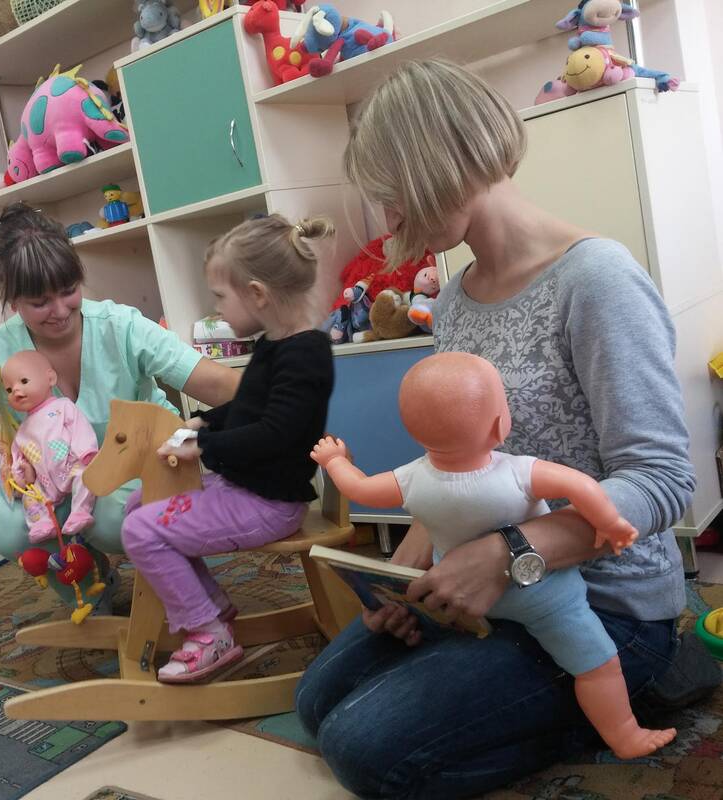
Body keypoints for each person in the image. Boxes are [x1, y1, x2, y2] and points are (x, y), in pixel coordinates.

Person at [295, 59, 708, 799]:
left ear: (438, 165)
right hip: (491, 581)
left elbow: (663, 483)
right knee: (316, 703)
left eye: (393, 196)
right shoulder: (455, 301)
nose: (390, 222)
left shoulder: (596, 281)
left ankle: (630, 691)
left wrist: (510, 553)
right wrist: (412, 576)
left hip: (603, 606)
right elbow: (455, 462)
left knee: (362, 750)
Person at [311, 351, 675, 759]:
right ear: (501, 425)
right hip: (543, 596)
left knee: (342, 725)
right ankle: (624, 734)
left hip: (464, 600)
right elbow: (581, 487)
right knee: (596, 666)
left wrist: (335, 461)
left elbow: (358, 488)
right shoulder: (518, 472)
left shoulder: (409, 480)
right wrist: (610, 523)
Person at [0, 202, 240, 609]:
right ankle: (91, 591)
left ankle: (182, 589)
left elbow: (212, 381)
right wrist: (25, 482)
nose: (60, 311)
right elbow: (1, 447)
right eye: (40, 302)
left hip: (138, 469)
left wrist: (287, 397)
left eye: (69, 291)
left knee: (113, 514)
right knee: (6, 527)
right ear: (12, 301)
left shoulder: (120, 325)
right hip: (53, 482)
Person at [121, 214, 336, 683]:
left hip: (268, 503)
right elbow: (250, 409)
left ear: (257, 294)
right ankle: (211, 604)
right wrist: (205, 420)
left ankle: (207, 631)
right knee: (140, 502)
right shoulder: (274, 345)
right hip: (245, 488)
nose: (216, 310)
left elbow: (276, 433)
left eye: (220, 297)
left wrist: (205, 444)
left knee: (140, 529)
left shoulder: (305, 355)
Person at [1, 350, 98, 543]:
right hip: (45, 481)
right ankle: (42, 523)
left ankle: (80, 511)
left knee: (85, 475)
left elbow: (79, 428)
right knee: (30, 497)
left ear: (50, 378)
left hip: (70, 466)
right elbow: (20, 459)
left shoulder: (62, 407)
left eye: (24, 381)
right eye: (9, 390)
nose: (16, 391)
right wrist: (23, 475)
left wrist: (86, 451)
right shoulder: (22, 431)